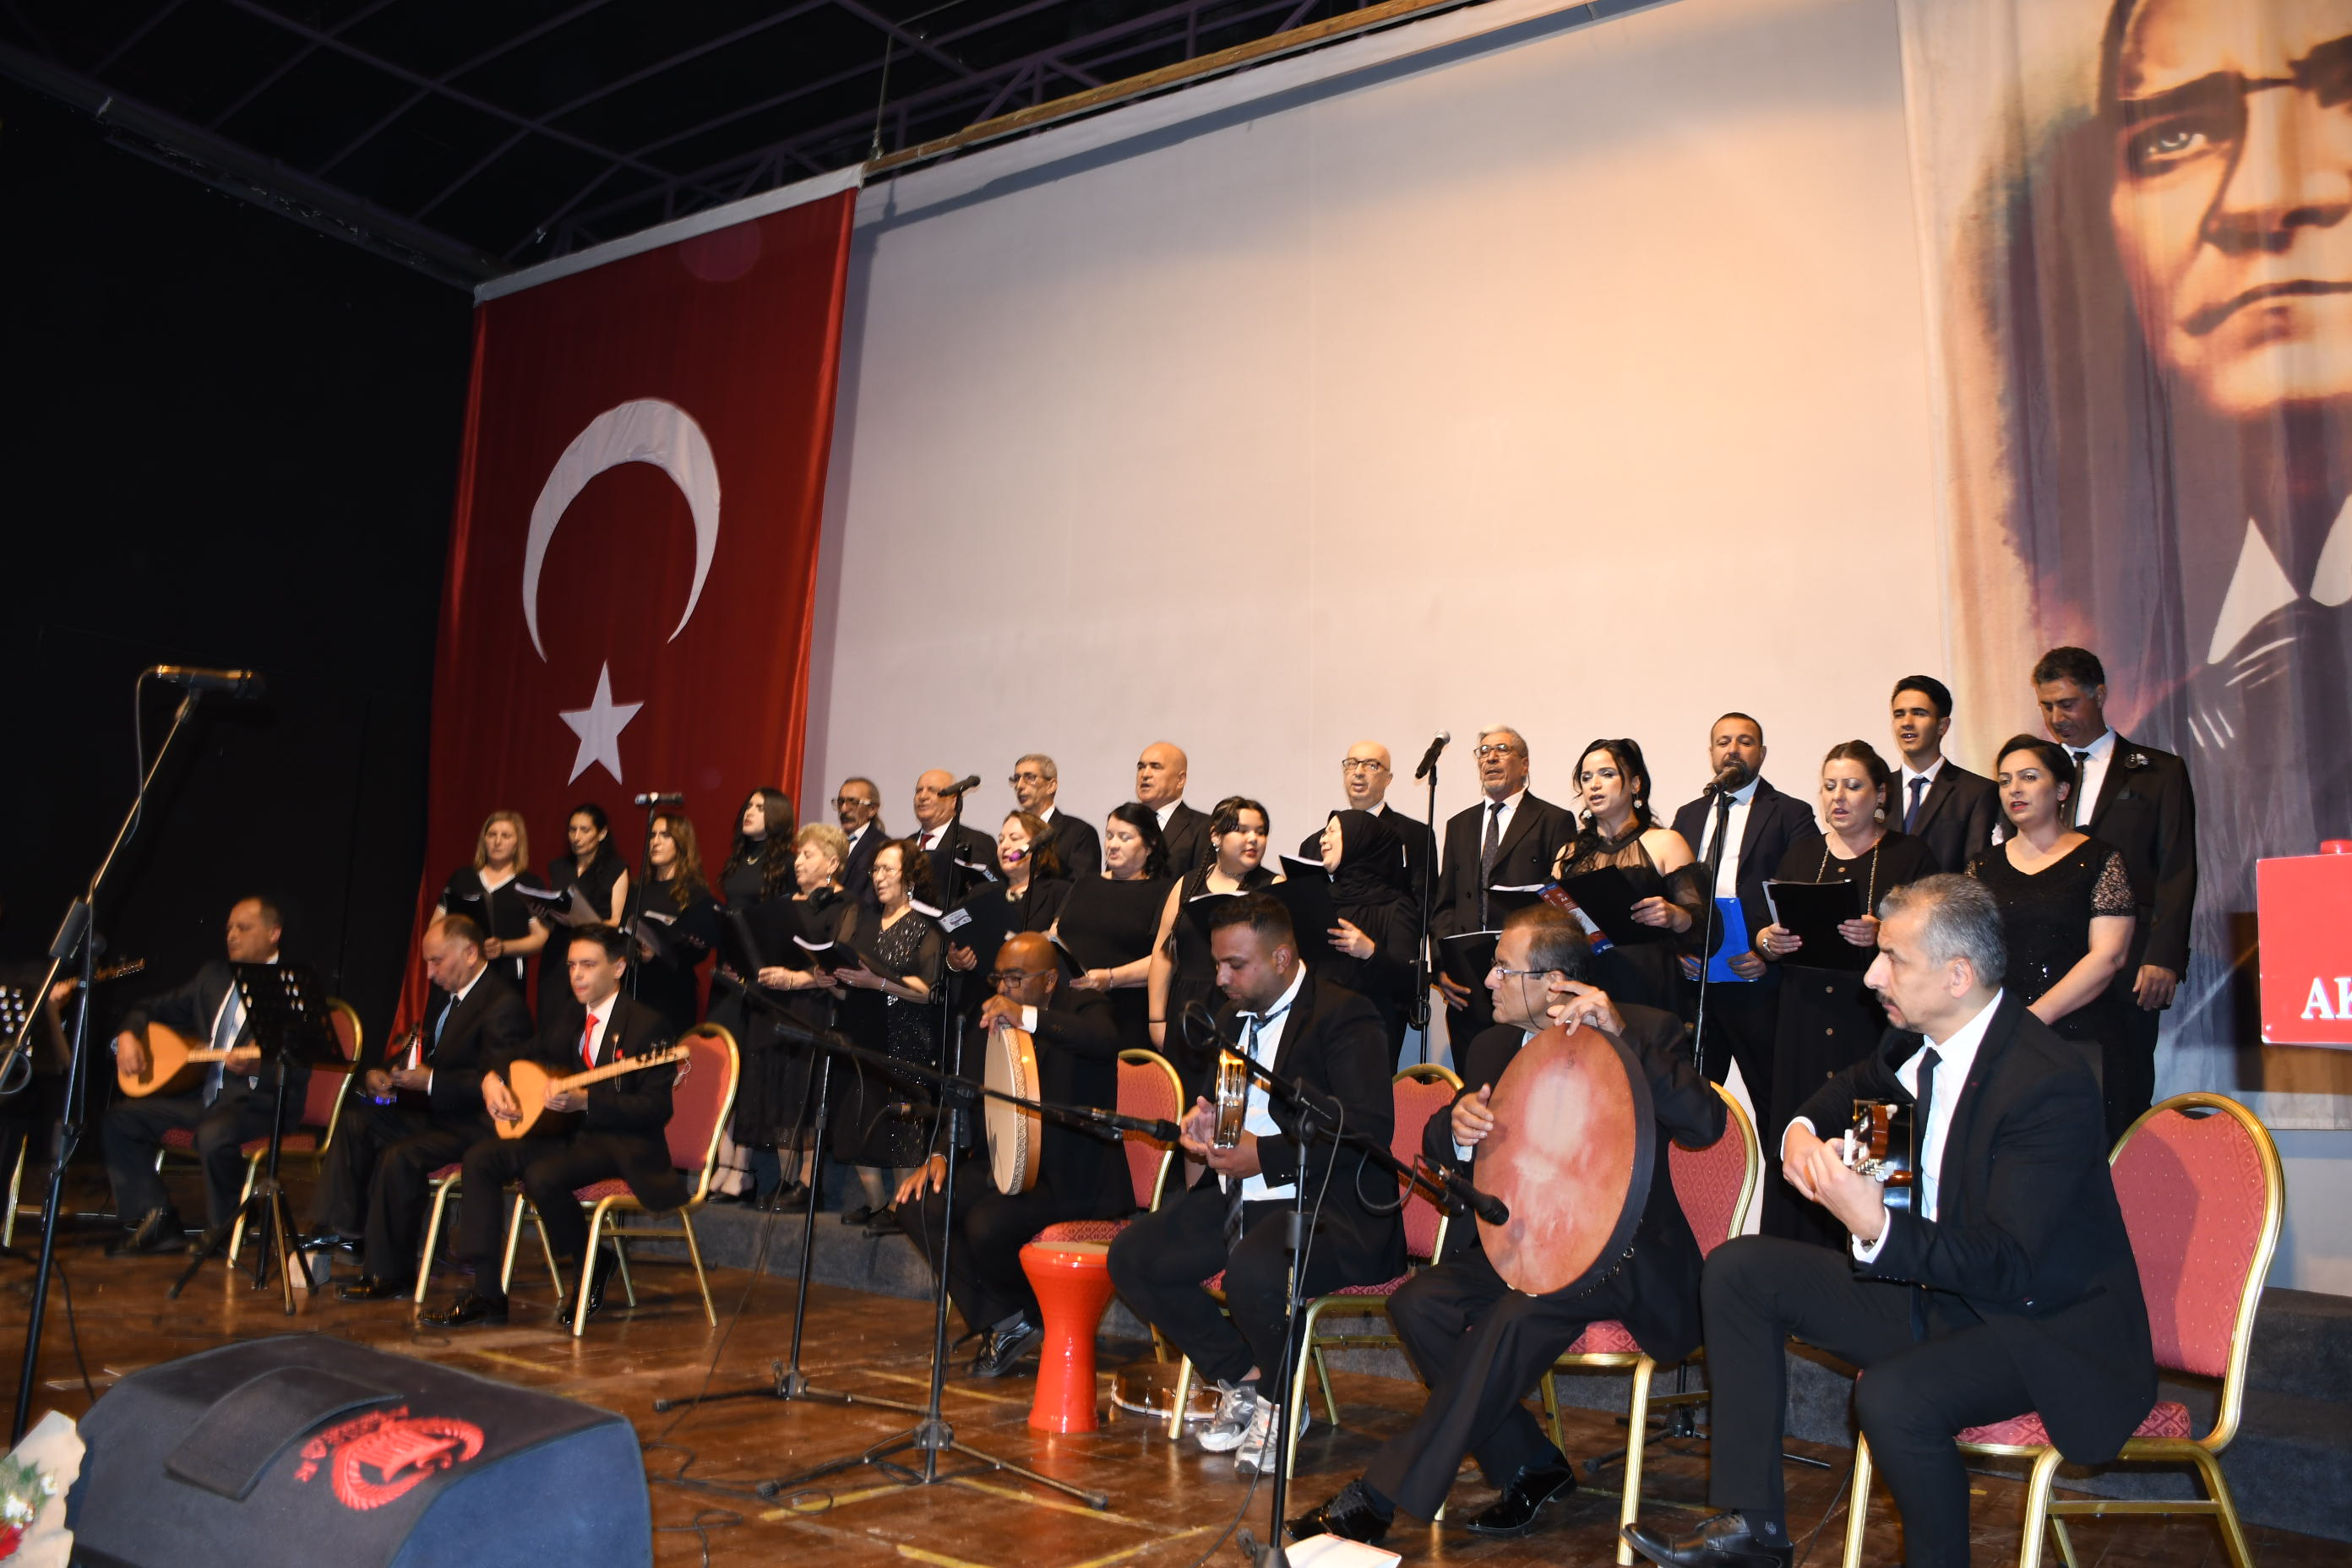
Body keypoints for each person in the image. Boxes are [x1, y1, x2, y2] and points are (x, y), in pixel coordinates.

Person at [1623, 876, 2155, 1568]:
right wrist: (1800, 1134)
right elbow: (1848, 1091)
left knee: (1894, 1397)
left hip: (2035, 1324)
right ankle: (1753, 1532)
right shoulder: (1911, 1040)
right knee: (1739, 1269)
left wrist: (1877, 1225)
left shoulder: (2045, 1082)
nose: (1873, 975)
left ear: (1957, 976)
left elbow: (2007, 1265)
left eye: (1893, 958)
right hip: (1930, 1290)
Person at [1288, 905, 1723, 1545]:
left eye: (1501, 969)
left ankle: (1379, 1496)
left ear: (1554, 983)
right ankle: (1530, 1464)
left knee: (1513, 1317)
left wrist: (1622, 1035)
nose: (1486, 981)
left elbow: (1705, 1125)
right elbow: (1440, 1141)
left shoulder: (1643, 1027)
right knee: (1419, 1303)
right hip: (1524, 1242)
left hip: (1619, 1257)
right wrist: (1458, 1128)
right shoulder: (1494, 1046)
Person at [1106, 893, 1402, 1478]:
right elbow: (1232, 1106)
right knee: (1134, 1257)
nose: (1220, 978)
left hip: (1328, 1208)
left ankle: (1280, 1402)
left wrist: (1263, 1157)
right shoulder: (1230, 1019)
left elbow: (1366, 1130)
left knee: (1253, 1271)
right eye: (1218, 964)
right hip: (1244, 1198)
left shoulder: (1346, 1015)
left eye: (1234, 965)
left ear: (1282, 957)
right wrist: (1208, 1124)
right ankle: (1245, 1377)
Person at [422, 924, 687, 1329]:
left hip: (624, 1144)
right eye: (571, 966)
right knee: (482, 1157)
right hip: (571, 1137)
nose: (576, 975)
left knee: (543, 1175)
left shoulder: (648, 1025)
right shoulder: (569, 1017)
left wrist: (588, 1102)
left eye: (588, 965)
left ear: (618, 968)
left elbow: (655, 1109)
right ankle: (487, 1292)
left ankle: (590, 1264)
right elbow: (518, 1053)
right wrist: (492, 1079)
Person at [897, 933, 1130, 1376]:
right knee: (917, 1205)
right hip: (1002, 1164)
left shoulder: (1086, 1007)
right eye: (999, 978)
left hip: (1070, 1176)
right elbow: (965, 1094)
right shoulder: (990, 1016)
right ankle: (1010, 1319)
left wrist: (1027, 1017)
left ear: (1050, 980)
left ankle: (1025, 1317)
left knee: (987, 1225)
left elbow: (1103, 1041)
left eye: (1016, 978)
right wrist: (942, 1154)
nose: (1004, 988)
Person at [1752, 742, 1939, 1245]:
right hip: (1805, 1023)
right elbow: (1768, 932)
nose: (1838, 797)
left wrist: (1884, 932)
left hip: (1874, 1026)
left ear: (1880, 795)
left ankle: (1872, 1254)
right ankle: (1795, 1268)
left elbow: (1933, 937)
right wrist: (1768, 942)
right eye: (1830, 786)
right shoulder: (1802, 853)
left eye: (1852, 786)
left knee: (1873, 1157)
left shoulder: (1910, 855)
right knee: (1804, 1141)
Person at [318, 914, 534, 1300]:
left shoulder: (503, 1005)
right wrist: (388, 1073)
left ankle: (391, 1274)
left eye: (437, 961)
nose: (430, 972)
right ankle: (345, 1232)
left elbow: (498, 1081)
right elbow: (427, 1054)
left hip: (477, 1126)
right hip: (438, 1115)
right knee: (355, 1121)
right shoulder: (447, 998)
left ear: (470, 953)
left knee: (401, 1155)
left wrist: (431, 1081)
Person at [2033, 648, 2196, 1140]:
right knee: (2049, 1103)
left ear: (2099, 695)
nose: (2056, 718)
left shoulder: (2158, 772)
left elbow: (2177, 870)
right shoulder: (2036, 777)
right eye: (2046, 706)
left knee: (2123, 1095)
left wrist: (2163, 957)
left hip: (2130, 965)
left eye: (2066, 704)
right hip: (2050, 963)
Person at [101, 896, 300, 1256]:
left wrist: (259, 1066)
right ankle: (157, 1218)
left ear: (274, 933)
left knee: (213, 1134)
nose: (232, 935)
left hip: (262, 1104)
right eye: (229, 928)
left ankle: (227, 1226)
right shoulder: (214, 977)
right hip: (209, 1099)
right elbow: (148, 1007)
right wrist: (128, 1035)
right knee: (121, 1119)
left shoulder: (292, 987)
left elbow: (301, 1064)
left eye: (243, 928)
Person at [1968, 737, 2137, 1131]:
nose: (2014, 789)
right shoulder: (1982, 867)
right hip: (2000, 1038)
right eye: (2005, 780)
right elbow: (1969, 952)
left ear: (2062, 790)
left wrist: (2032, 1019)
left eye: (2028, 777)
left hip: (2080, 1035)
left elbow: (2109, 956)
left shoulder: (2100, 859)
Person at [1668, 713, 1821, 1097]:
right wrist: (1677, 950)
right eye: (1723, 742)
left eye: (1745, 741)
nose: (1733, 750)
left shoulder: (1791, 813)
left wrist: (1768, 953)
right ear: (1711, 753)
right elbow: (1672, 890)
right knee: (1693, 1100)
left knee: (1773, 1098)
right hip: (1697, 982)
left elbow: (1802, 894)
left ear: (1762, 753)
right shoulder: (1689, 815)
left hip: (1758, 981)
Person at [1431, 727, 1575, 1043]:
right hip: (1466, 978)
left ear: (1525, 764)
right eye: (1483, 751)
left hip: (1524, 977)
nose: (1491, 757)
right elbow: (1445, 904)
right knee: (1473, 1064)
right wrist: (1441, 968)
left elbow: (1560, 905)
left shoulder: (1553, 820)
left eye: (1502, 749)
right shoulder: (1459, 824)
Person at [738, 822, 853, 1212]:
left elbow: (839, 964)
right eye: (798, 854)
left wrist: (796, 979)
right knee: (780, 1094)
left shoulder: (845, 905)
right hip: (775, 1006)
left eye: (808, 854)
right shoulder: (785, 904)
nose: (798, 861)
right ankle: (787, 1179)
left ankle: (808, 1182)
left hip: (814, 1008)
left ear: (832, 863)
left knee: (805, 1092)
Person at [832, 839, 945, 1236]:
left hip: (905, 1034)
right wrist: (831, 980)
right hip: (863, 1031)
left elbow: (928, 990)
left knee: (901, 1124)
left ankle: (902, 1207)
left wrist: (877, 982)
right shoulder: (862, 920)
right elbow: (852, 983)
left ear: (909, 877)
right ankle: (878, 1202)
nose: (878, 877)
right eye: (875, 870)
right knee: (858, 1118)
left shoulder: (925, 927)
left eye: (888, 870)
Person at [1551, 738, 1705, 1015]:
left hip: (1647, 983)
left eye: (1607, 774)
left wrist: (1675, 915)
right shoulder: (1569, 854)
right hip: (1584, 983)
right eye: (1586, 777)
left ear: (1635, 784)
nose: (1594, 784)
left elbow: (1707, 927)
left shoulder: (1666, 843)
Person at [1146, 796, 1277, 1090]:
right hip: (1187, 1010)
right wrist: (1156, 1019)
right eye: (1242, 830)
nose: (1253, 839)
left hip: (1243, 1012)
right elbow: (1163, 954)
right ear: (1216, 836)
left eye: (1260, 832)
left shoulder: (1273, 887)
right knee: (1184, 1102)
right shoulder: (1187, 883)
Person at [706, 787, 798, 1202]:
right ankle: (724, 1161)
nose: (750, 812)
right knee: (722, 1067)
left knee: (746, 1072)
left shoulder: (786, 864)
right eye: (748, 806)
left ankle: (741, 1169)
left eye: (760, 808)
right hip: (729, 974)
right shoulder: (738, 858)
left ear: (776, 815)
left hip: (759, 980)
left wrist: (753, 964)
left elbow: (780, 925)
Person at [1056, 802, 1175, 1055]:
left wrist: (1110, 978)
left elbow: (1165, 958)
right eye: (1109, 835)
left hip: (1126, 1014)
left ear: (1150, 845)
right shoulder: (1085, 883)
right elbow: (1058, 931)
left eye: (1124, 837)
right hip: (1073, 1010)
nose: (1112, 844)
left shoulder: (1165, 891)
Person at [1315, 809, 1419, 1054]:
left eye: (1332, 831)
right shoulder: (1320, 900)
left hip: (1368, 1033)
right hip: (1317, 1029)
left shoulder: (1396, 906)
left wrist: (1370, 952)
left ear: (1359, 840)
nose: (1322, 839)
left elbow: (1409, 982)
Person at [1295, 741, 1436, 906]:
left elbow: (1424, 903)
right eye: (1352, 764)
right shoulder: (1313, 845)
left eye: (1371, 766)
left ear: (1388, 779)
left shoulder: (1416, 835)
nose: (1358, 772)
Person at [623, 810, 720, 1034]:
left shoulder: (695, 892)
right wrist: (638, 950)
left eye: (665, 836)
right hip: (636, 986)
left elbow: (700, 953)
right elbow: (623, 931)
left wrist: (693, 945)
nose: (655, 842)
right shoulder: (638, 889)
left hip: (673, 993)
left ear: (681, 843)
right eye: (653, 835)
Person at [1888, 678, 1998, 875]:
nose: (1906, 723)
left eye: (1918, 713)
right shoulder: (1879, 789)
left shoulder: (1976, 792)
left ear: (1943, 726)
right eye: (1899, 714)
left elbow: (1976, 872)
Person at [534, 802, 629, 1022]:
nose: (576, 837)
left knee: (582, 1019)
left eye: (585, 830)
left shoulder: (616, 869)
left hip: (593, 950)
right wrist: (542, 913)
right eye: (572, 830)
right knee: (551, 1016)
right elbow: (553, 918)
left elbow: (617, 921)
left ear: (602, 833)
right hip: (558, 951)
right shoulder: (559, 867)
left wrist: (583, 922)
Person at [437, 810, 546, 991]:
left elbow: (540, 937)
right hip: (460, 975)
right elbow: (436, 926)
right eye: (492, 835)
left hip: (506, 980)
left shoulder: (529, 885)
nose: (497, 842)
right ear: (484, 839)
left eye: (506, 836)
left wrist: (503, 947)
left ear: (518, 843)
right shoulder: (461, 878)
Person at [912, 770, 998, 905]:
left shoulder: (977, 842)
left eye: (932, 791)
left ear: (954, 801)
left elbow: (983, 896)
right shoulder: (904, 846)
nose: (922, 796)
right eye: (918, 791)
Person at [1013, 753, 1099, 878]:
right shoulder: (1012, 833)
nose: (1019, 785)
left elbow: (1083, 885)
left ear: (1051, 786)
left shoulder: (1079, 833)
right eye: (1016, 779)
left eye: (1030, 778)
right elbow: (995, 879)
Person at [1136, 742, 1212, 877]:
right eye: (1141, 767)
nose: (1145, 774)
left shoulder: (1203, 827)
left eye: (1155, 767)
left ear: (1180, 780)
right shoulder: (1126, 823)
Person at [836, 777, 887, 913]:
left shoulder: (882, 847)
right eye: (841, 802)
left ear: (872, 809)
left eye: (853, 802)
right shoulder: (831, 843)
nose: (844, 809)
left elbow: (873, 902)